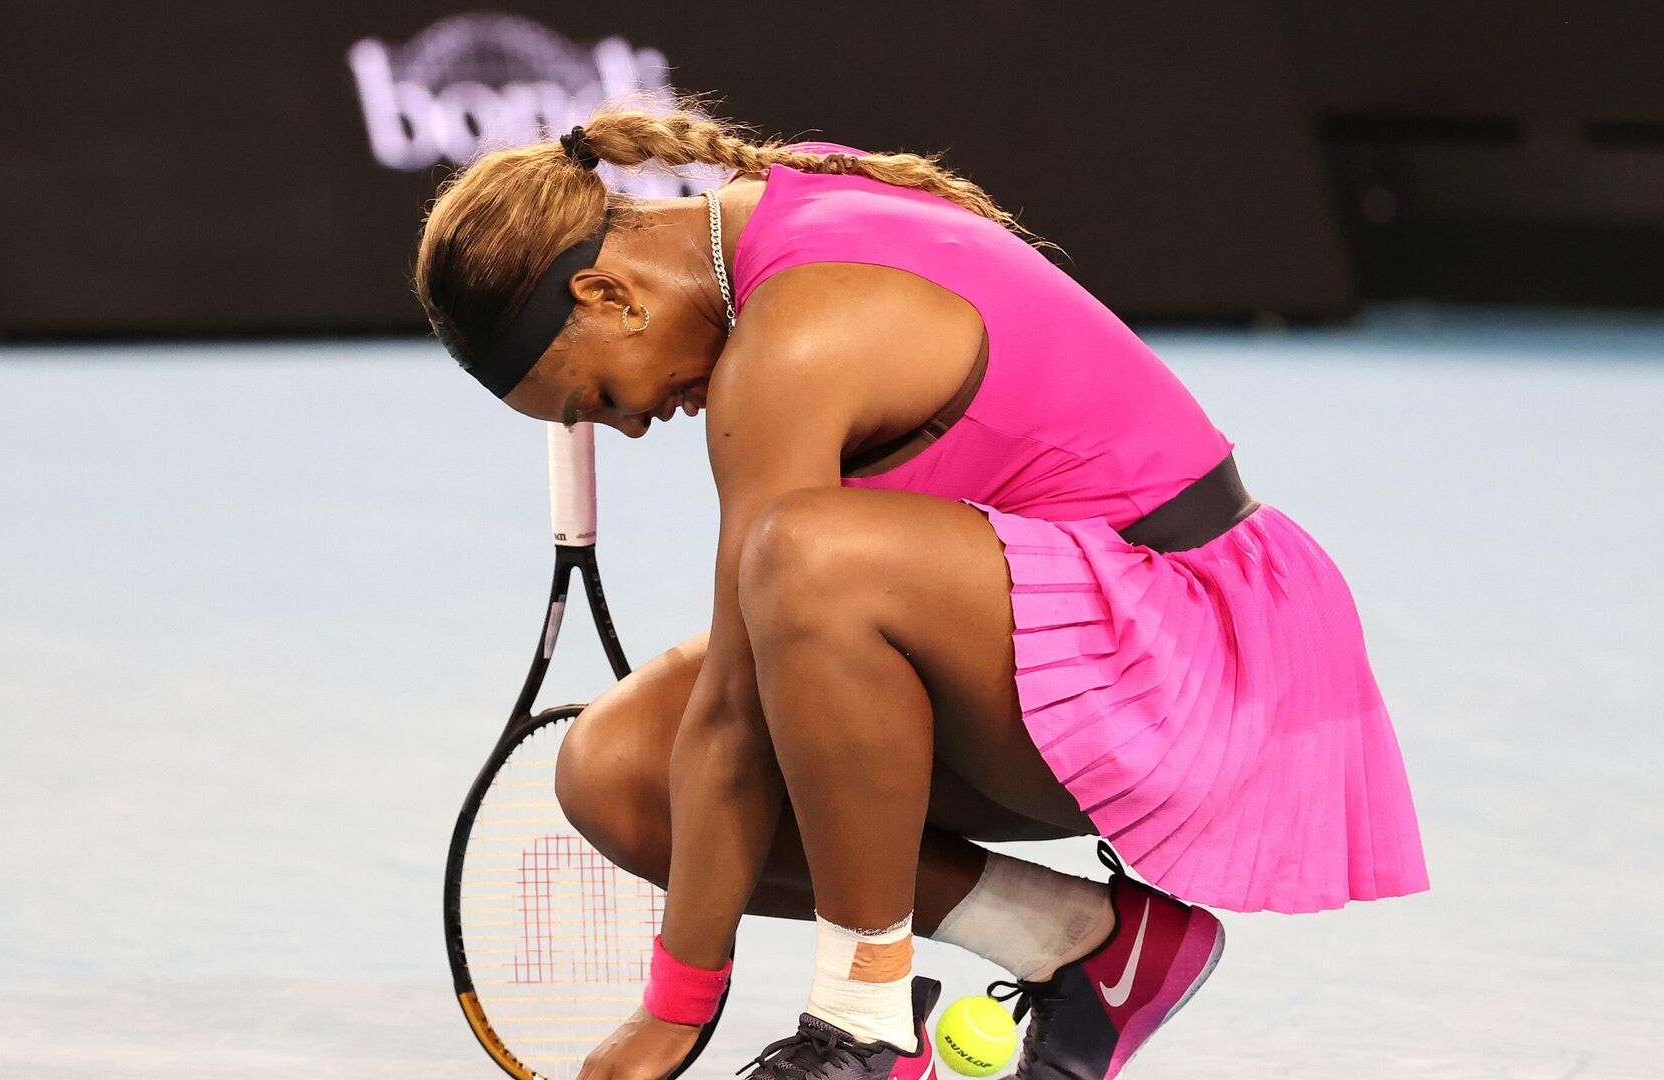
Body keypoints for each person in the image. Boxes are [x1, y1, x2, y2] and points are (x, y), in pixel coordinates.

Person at [413, 107, 1429, 1080]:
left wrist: (674, 1009)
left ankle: (864, 1026)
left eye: (598, 399)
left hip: (1203, 665)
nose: (631, 430)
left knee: (806, 563)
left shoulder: (791, 341)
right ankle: (1085, 946)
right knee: (618, 772)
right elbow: (742, 707)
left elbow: (735, 714)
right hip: (1079, 655)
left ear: (609, 297)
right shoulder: (775, 201)